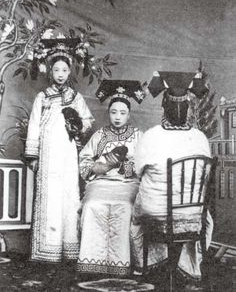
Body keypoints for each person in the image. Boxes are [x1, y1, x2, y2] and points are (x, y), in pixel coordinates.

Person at [131, 70, 213, 279]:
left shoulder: (150, 136)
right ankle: (185, 267)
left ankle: (149, 265)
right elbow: (205, 178)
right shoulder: (200, 138)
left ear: (164, 108)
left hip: (156, 212)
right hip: (192, 214)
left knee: (136, 216)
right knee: (206, 218)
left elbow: (136, 171)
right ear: (187, 109)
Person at [25, 38, 94, 263]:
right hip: (47, 156)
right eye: (56, 69)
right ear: (51, 72)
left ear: (70, 71)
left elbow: (87, 120)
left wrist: (78, 126)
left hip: (67, 154)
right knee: (50, 196)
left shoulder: (75, 98)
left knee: (69, 195)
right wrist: (33, 156)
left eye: (65, 69)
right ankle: (47, 249)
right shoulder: (43, 97)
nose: (61, 74)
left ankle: (68, 248)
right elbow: (34, 125)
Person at [77, 79, 145, 276]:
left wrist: (125, 166)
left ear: (129, 114)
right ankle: (92, 263)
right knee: (91, 206)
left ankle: (122, 264)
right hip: (101, 183)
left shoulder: (138, 135)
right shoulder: (99, 135)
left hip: (127, 184)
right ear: (108, 113)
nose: (117, 117)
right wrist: (102, 166)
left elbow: (144, 165)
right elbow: (84, 162)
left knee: (125, 208)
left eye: (122, 113)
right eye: (114, 112)